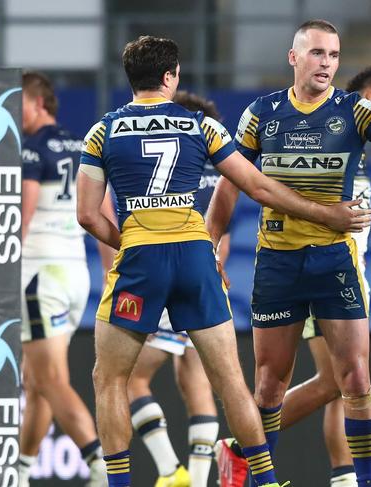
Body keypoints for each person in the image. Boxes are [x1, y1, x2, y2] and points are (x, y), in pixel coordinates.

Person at [76, 35, 371, 487]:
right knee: (231, 379)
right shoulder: (202, 126)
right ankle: (267, 481)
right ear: (171, 77)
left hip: (139, 260)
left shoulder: (103, 131)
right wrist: (324, 212)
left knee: (110, 378)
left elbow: (87, 214)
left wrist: (132, 242)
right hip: (196, 256)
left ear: (130, 78)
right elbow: (258, 187)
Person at [208, 19, 371, 487]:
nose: (326, 64)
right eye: (316, 53)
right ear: (294, 57)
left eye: (333, 55)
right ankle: (257, 478)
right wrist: (212, 240)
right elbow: (231, 182)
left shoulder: (354, 110)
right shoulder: (262, 113)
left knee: (353, 378)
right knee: (269, 382)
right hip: (277, 260)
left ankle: (365, 483)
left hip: (335, 261)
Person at [280, 68, 371, 487]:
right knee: (338, 381)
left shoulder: (356, 155)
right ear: (368, 97)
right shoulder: (328, 141)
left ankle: (344, 478)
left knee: (344, 383)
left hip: (348, 276)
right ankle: (243, 445)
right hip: (323, 273)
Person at [125, 91, 229, 487]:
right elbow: (224, 240)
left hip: (169, 280)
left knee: (130, 380)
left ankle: (170, 471)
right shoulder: (218, 177)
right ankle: (199, 481)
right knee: (196, 386)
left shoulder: (171, 175)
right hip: (205, 285)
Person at [18, 71, 113, 487]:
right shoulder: (83, 145)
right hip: (76, 275)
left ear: (39, 103)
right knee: (36, 381)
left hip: (39, 273)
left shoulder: (31, 148)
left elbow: (19, 219)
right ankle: (19, 473)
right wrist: (111, 271)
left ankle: (99, 465)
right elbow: (103, 212)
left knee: (50, 379)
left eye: (16, 103)